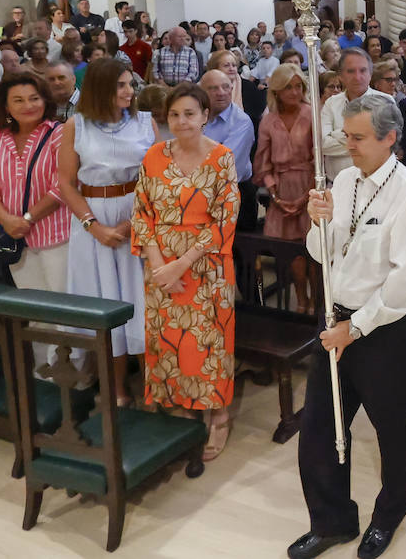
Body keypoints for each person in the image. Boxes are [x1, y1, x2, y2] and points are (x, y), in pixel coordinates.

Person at [290, 94, 406, 559]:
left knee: (391, 429)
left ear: (390, 138)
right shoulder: (346, 179)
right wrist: (318, 222)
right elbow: (321, 253)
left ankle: (389, 515)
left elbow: (405, 281)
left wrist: (356, 329)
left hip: (381, 330)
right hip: (335, 318)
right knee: (319, 428)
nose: (348, 145)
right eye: (345, 136)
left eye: (358, 138)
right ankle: (331, 521)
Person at [131, 83, 239, 461]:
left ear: (205, 116)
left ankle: (219, 414)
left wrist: (182, 262)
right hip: (160, 265)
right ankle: (179, 409)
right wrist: (160, 264)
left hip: (206, 265)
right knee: (170, 342)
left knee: (209, 343)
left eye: (190, 113)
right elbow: (142, 213)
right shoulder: (154, 155)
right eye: (174, 114)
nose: (181, 121)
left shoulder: (222, 158)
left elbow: (226, 217)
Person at [58, 58, 156, 402]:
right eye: (121, 85)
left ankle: (152, 388)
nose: (130, 91)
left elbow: (157, 178)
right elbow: (66, 183)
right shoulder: (76, 126)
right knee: (107, 301)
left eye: (131, 84)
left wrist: (133, 222)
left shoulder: (144, 122)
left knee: (142, 302)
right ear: (100, 88)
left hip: (137, 212)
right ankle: (115, 389)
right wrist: (93, 226)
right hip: (93, 216)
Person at [0, 73, 69, 367]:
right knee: (34, 309)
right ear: (6, 105)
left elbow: (63, 184)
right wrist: (6, 219)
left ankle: (74, 376)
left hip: (57, 236)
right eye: (18, 100)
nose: (27, 105)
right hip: (16, 238)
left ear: (45, 100)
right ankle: (44, 374)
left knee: (65, 307)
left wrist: (26, 218)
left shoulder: (60, 133)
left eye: (34, 98)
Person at [255, 63, 317, 314]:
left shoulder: (312, 113)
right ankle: (300, 300)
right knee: (293, 253)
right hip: (280, 190)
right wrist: (275, 196)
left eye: (298, 86)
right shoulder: (268, 120)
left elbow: (319, 161)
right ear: (277, 90)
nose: (294, 92)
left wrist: (306, 197)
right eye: (288, 87)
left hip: (309, 187)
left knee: (314, 250)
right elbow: (262, 162)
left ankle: (318, 301)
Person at [200, 69, 257, 233]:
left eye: (226, 87)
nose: (221, 93)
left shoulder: (241, 122)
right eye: (213, 88)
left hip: (233, 195)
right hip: (199, 196)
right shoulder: (195, 116)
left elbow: (226, 167)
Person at [320, 48, 391, 178]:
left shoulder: (385, 101)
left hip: (376, 181)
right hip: (338, 184)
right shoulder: (331, 103)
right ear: (341, 76)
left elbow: (384, 144)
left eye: (363, 70)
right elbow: (323, 145)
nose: (357, 77)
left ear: (370, 73)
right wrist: (365, 139)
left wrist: (337, 135)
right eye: (351, 71)